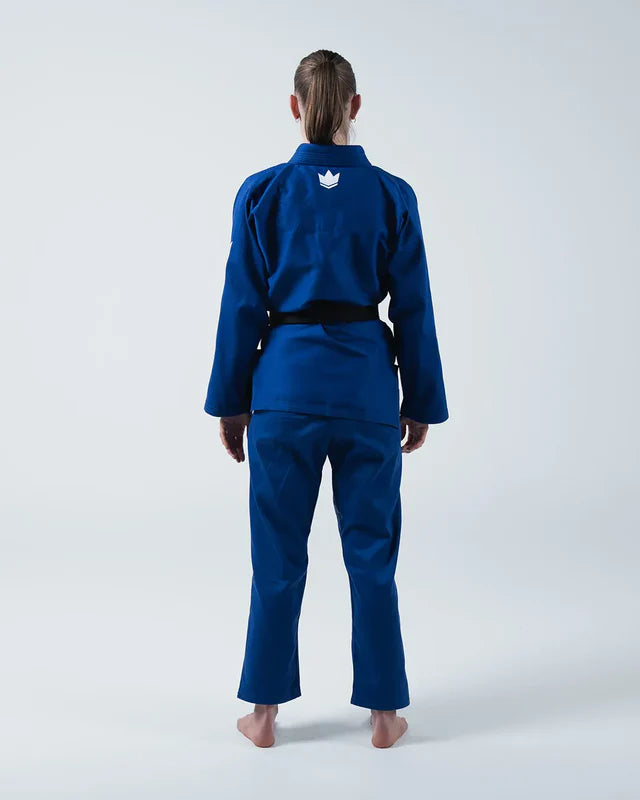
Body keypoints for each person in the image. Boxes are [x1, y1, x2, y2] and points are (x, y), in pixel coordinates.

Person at [203, 49, 449, 748]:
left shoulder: (262, 192)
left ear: (294, 106)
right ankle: (385, 713)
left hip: (283, 391)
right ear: (355, 106)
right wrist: (420, 401)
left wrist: (231, 401)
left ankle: (263, 714)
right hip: (366, 392)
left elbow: (241, 304)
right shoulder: (392, 195)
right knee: (372, 557)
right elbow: (414, 308)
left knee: (277, 557)